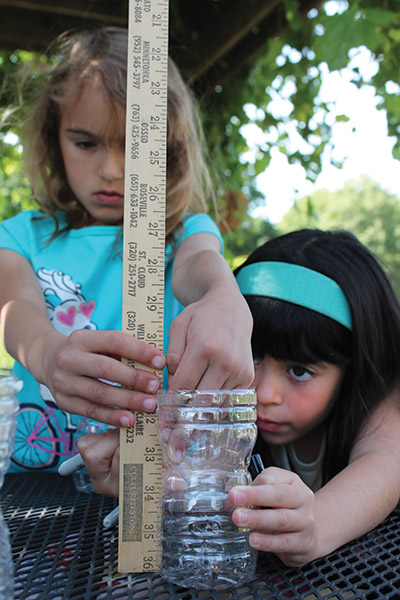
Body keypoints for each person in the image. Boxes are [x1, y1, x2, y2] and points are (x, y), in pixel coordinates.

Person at [0, 27, 254, 473]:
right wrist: (46, 353)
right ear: (53, 139)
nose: (112, 169)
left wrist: (225, 298)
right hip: (35, 492)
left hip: (149, 481)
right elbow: (14, 307)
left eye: (136, 146)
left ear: (170, 149)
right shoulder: (18, 236)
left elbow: (201, 263)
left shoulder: (183, 233)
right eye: (86, 142)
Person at [78, 228, 400, 567]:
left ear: (357, 366)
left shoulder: (386, 405)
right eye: (252, 356)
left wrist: (316, 523)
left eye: (300, 371)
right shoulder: (226, 405)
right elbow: (196, 487)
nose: (264, 393)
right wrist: (151, 474)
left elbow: (385, 466)